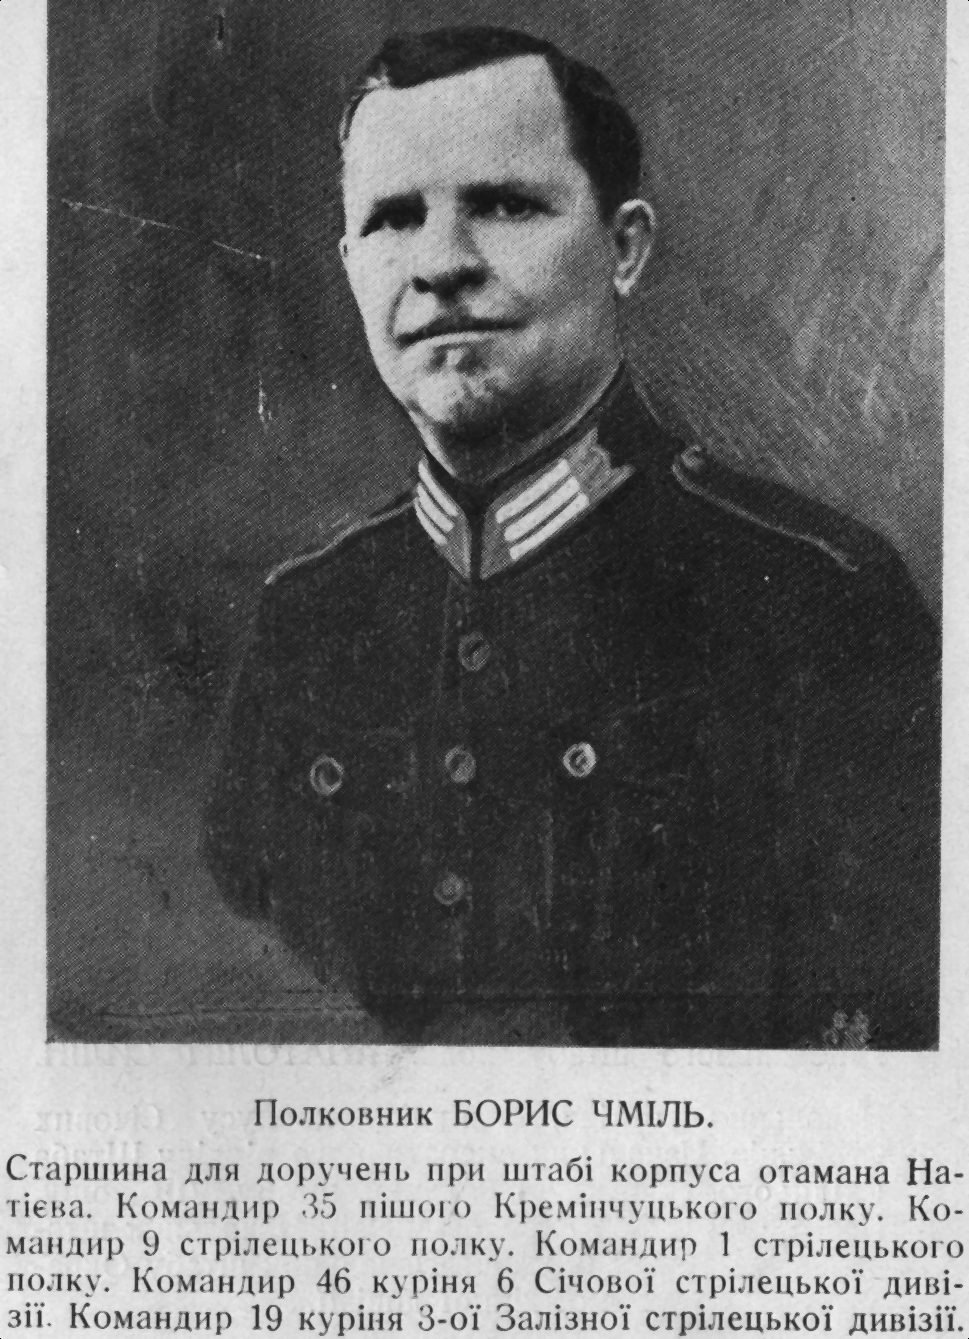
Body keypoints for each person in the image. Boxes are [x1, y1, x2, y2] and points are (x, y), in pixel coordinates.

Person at [203, 26, 940, 1047]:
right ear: (350, 266)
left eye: (505, 205)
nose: (441, 264)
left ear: (623, 248)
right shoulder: (306, 621)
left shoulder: (818, 600)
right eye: (393, 218)